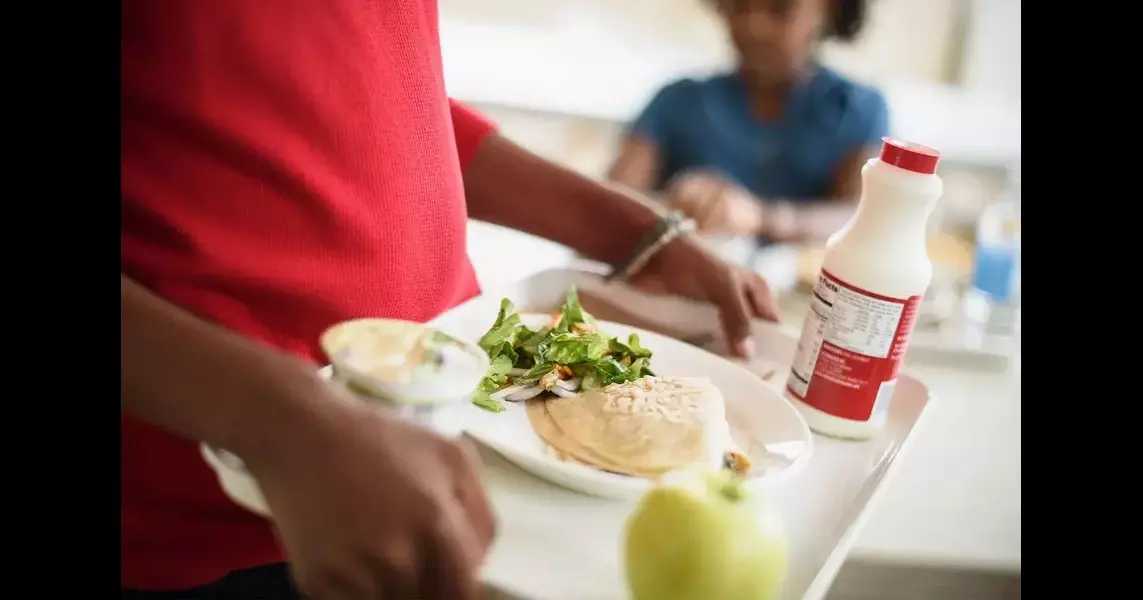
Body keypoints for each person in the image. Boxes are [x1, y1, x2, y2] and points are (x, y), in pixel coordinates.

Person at [121, 1, 781, 599]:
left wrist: (634, 231)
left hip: (457, 449)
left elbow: (382, 102)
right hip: (228, 511)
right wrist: (282, 422)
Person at [608, 0, 889, 245]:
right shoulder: (677, 101)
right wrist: (670, 202)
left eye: (781, 8)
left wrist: (761, 217)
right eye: (740, 4)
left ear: (831, 9)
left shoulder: (858, 110)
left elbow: (862, 221)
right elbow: (610, 201)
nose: (754, 26)